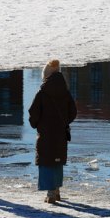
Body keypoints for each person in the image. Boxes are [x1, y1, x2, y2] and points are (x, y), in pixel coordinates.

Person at [28, 60, 77, 203]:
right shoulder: (65, 92)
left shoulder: (42, 92)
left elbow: (33, 113)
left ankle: (50, 194)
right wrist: (64, 122)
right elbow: (73, 112)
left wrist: (36, 124)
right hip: (60, 133)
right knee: (57, 160)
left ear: (46, 75)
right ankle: (56, 191)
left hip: (45, 134)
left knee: (47, 160)